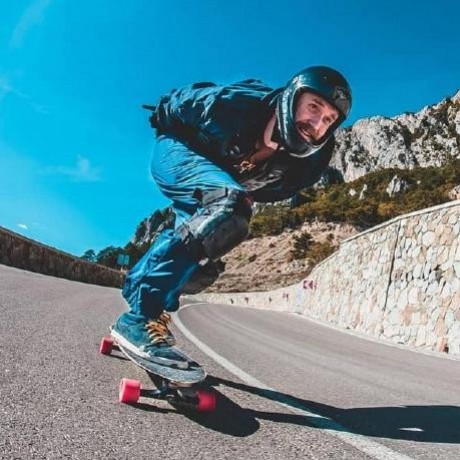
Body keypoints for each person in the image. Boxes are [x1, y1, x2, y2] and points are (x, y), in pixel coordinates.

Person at [111, 66, 352, 369]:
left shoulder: (311, 163)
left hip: (218, 185)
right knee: (229, 207)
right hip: (178, 151)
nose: (316, 124)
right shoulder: (239, 104)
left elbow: (268, 192)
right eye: (313, 107)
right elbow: (179, 104)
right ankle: (139, 318)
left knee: (201, 264)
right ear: (292, 97)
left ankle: (153, 313)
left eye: (328, 119)